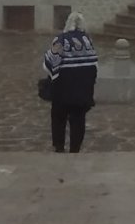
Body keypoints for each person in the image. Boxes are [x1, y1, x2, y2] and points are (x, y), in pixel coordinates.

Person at [42, 13, 98, 153]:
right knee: (79, 119)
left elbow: (50, 63)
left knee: (58, 117)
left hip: (63, 87)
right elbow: (94, 65)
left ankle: (59, 147)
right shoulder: (87, 40)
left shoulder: (61, 40)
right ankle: (75, 149)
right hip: (83, 87)